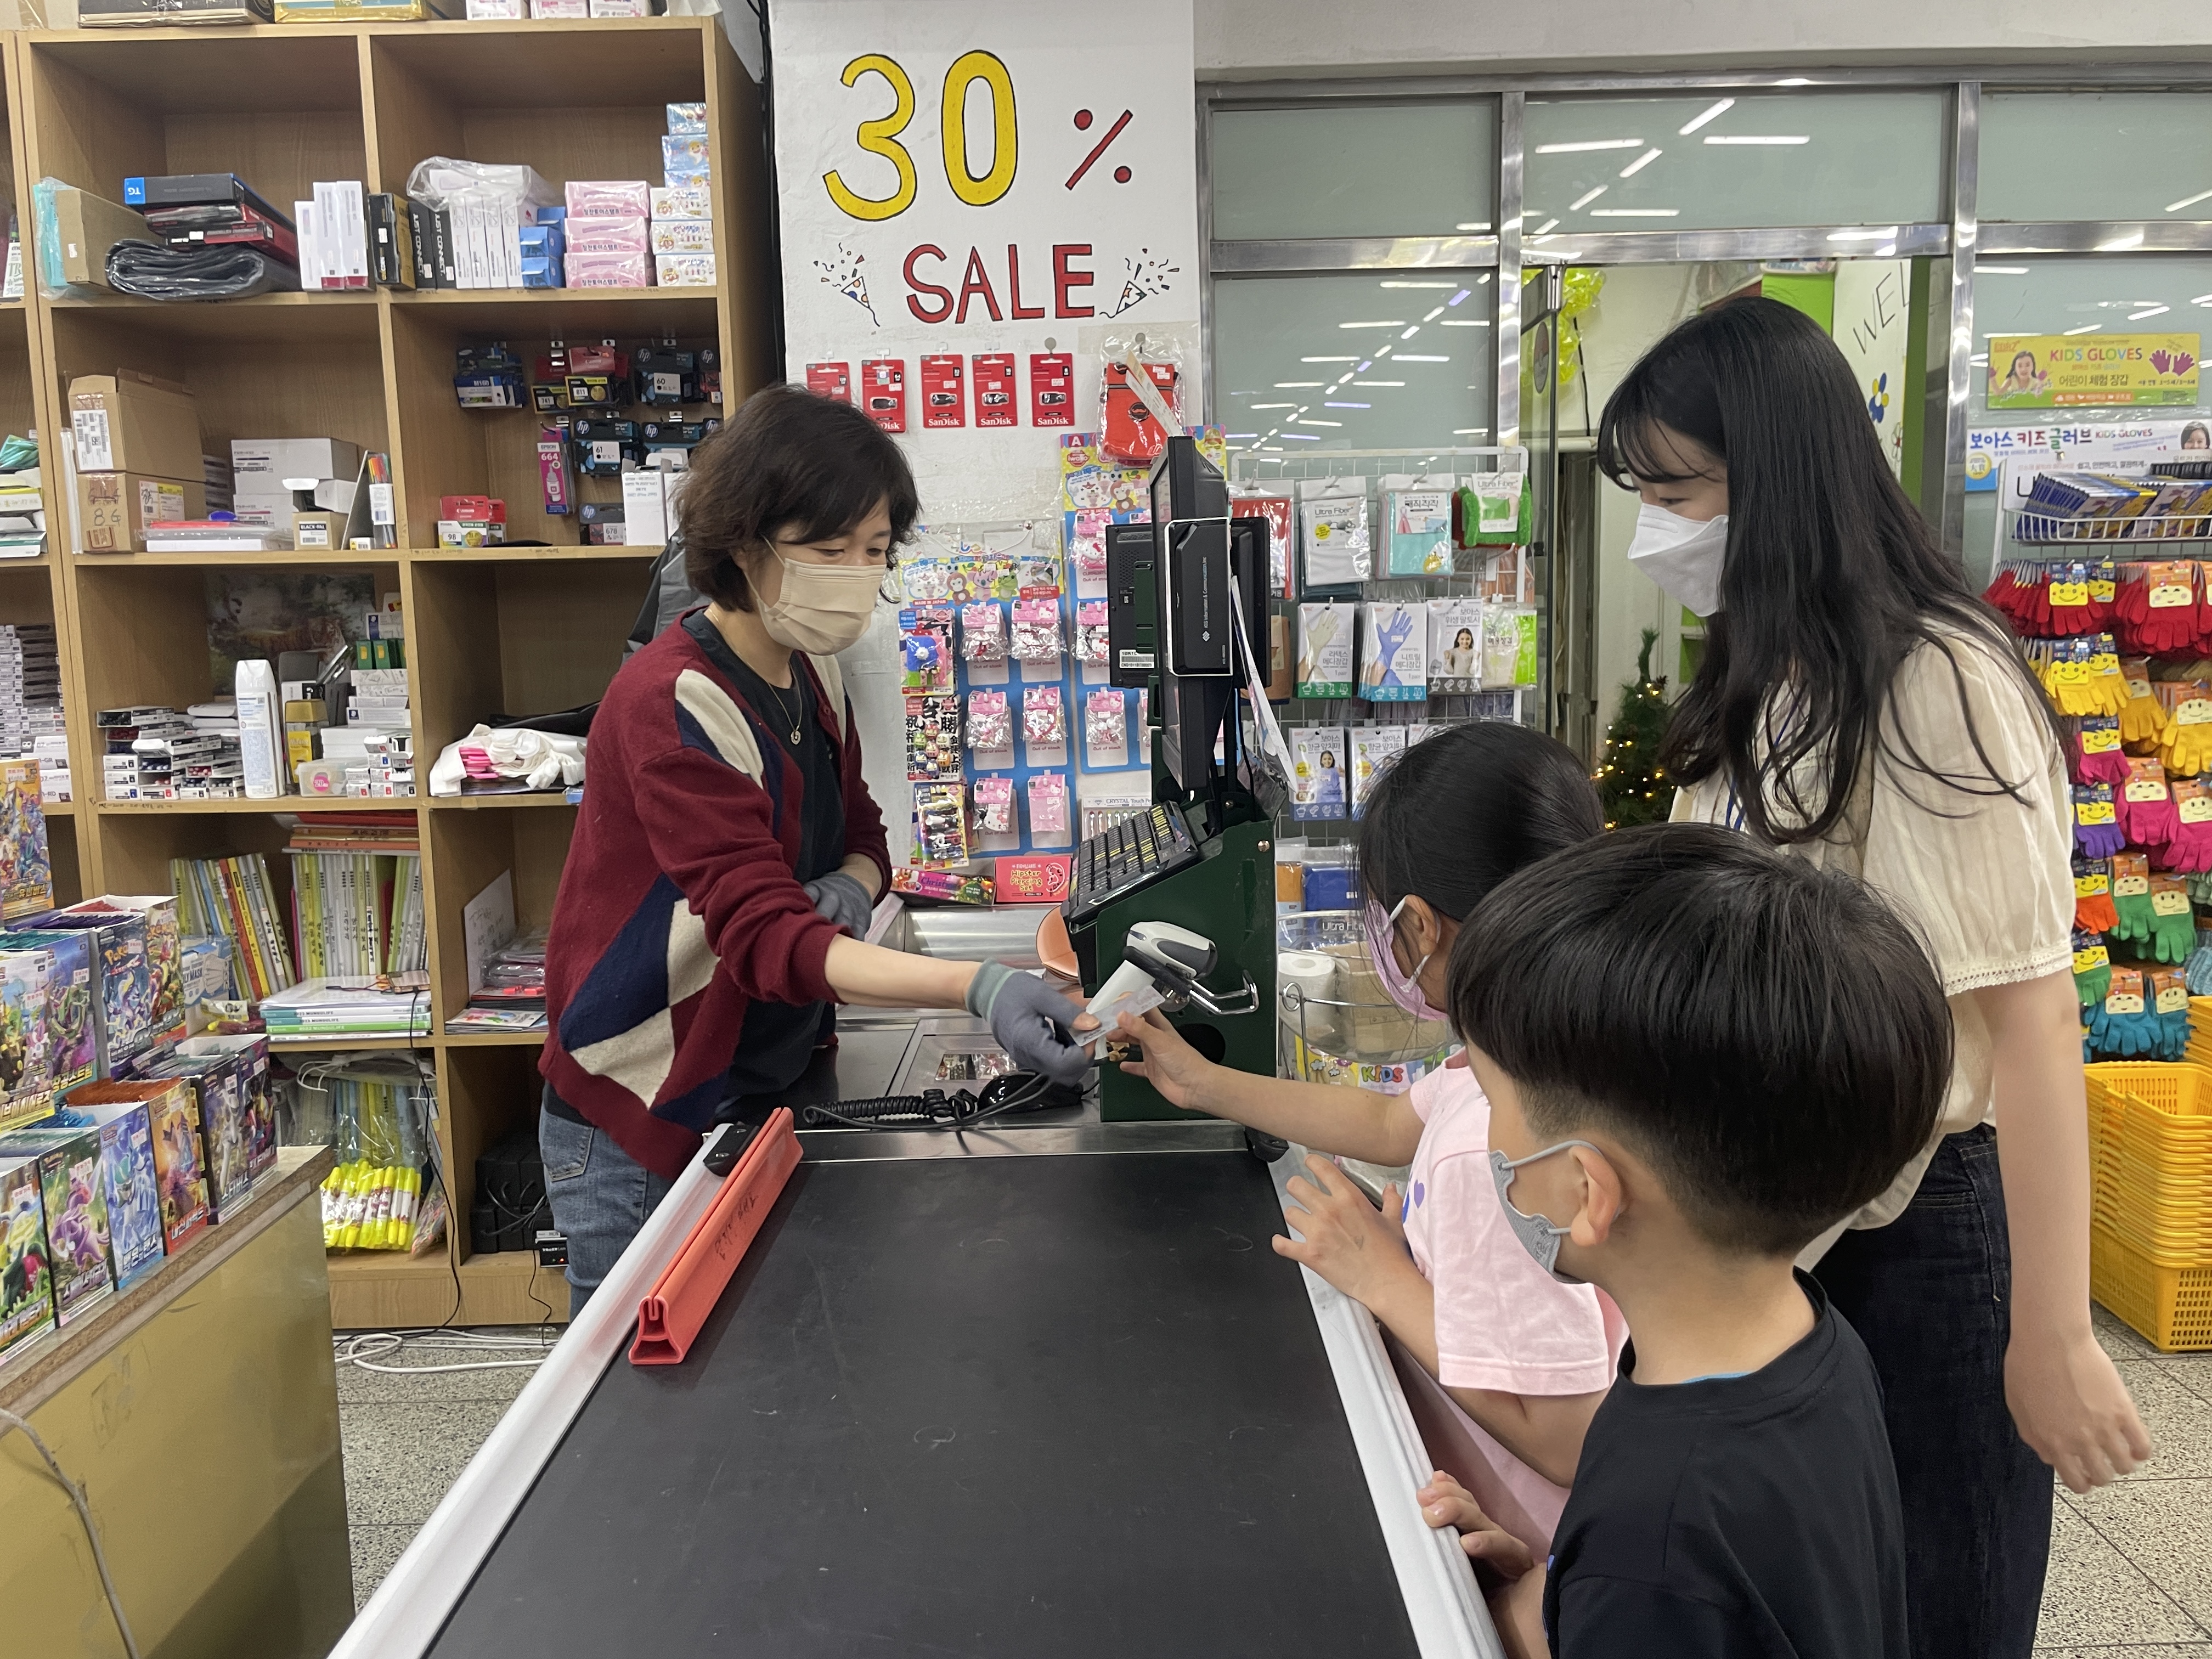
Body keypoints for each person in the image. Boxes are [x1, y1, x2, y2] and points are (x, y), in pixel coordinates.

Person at [1601, 296, 2151, 1659]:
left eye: (1677, 493)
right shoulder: (1773, 666)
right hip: (1797, 1211)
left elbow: (2034, 1021)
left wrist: (2052, 1332)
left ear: (1778, 477)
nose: (1655, 532)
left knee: (1941, 1601)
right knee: (1827, 1599)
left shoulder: (1937, 679)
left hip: (1927, 1226)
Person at [540, 386, 1092, 1311]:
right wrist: (978, 986)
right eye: (829, 550)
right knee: (648, 1365)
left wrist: (848, 883)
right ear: (744, 542)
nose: (856, 575)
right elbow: (764, 939)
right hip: (646, 1104)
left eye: (874, 550)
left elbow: (864, 831)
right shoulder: (670, 703)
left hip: (764, 1079)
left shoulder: (811, 670)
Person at [1417, 825, 1950, 1659]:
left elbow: (1672, 1587)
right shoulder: (1819, 1350)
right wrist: (1557, 1595)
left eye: (1490, 1098)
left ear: (1587, 1190)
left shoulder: (1654, 1540)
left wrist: (1602, 1591)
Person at [1116, 723, 1621, 1555]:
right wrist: (1202, 1083)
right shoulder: (1506, 1062)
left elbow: (1570, 1438)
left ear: (1420, 926)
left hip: (1515, 1545)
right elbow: (1388, 1124)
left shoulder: (1495, 1148)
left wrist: (1385, 1279)